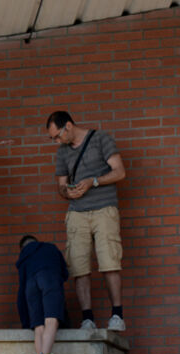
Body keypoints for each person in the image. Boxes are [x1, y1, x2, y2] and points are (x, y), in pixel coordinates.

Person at [47, 111, 126, 331]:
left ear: (69, 126)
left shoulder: (101, 139)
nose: (57, 141)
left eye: (57, 136)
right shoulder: (63, 152)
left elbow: (119, 172)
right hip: (77, 212)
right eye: (53, 138)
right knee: (78, 265)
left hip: (104, 209)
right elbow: (61, 186)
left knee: (109, 261)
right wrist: (67, 192)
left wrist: (93, 182)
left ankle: (117, 316)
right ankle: (87, 318)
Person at [16, 235, 68, 354]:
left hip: (30, 285)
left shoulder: (24, 258)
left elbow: (21, 292)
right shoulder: (49, 247)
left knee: (38, 326)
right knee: (51, 319)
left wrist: (25, 321)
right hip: (49, 277)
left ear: (23, 248)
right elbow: (64, 272)